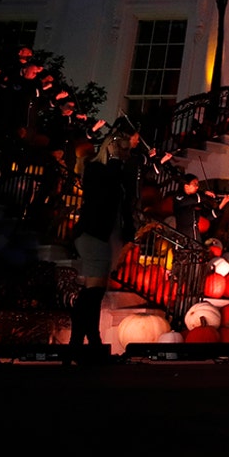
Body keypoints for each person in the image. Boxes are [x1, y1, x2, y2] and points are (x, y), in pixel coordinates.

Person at [67, 117, 139, 363]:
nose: (124, 153)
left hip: (104, 234)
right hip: (92, 233)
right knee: (93, 292)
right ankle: (82, 342)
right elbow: (101, 195)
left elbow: (126, 203)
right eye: (121, 148)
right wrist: (116, 162)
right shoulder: (96, 169)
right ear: (111, 146)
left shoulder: (119, 173)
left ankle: (87, 341)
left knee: (94, 292)